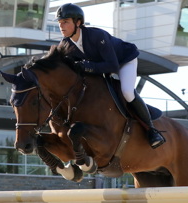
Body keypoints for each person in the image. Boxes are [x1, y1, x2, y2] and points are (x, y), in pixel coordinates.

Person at [56, 3, 165, 149]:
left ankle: (152, 131)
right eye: (60, 22)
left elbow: (112, 66)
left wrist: (87, 66)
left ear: (78, 22)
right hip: (102, 67)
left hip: (124, 61)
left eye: (66, 22)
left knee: (126, 91)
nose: (61, 26)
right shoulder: (65, 45)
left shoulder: (97, 35)